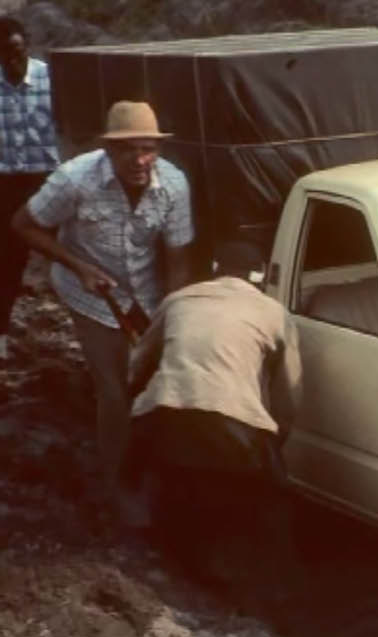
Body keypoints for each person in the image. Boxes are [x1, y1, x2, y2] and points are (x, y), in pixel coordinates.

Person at [12, 100, 194, 507]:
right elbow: (22, 224)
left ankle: (160, 471)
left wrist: (171, 319)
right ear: (108, 150)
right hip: (90, 291)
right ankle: (116, 486)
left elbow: (178, 261)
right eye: (127, 149)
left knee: (153, 376)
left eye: (148, 148)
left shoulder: (174, 185)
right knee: (113, 387)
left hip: (144, 291)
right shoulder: (74, 179)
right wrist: (78, 267)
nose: (139, 159)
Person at [126, 241, 302, 588]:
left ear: (216, 269)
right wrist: (276, 441)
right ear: (261, 278)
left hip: (164, 416)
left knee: (168, 492)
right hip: (235, 426)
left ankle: (167, 562)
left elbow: (134, 369)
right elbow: (290, 394)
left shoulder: (178, 300)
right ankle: (271, 588)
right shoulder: (276, 313)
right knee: (268, 505)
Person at [0, 16, 59, 360]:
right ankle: (2, 336)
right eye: (4, 54)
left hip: (48, 178)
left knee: (74, 250)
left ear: (28, 46)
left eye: (18, 51)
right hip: (6, 182)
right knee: (6, 260)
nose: (12, 61)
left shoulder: (53, 80)